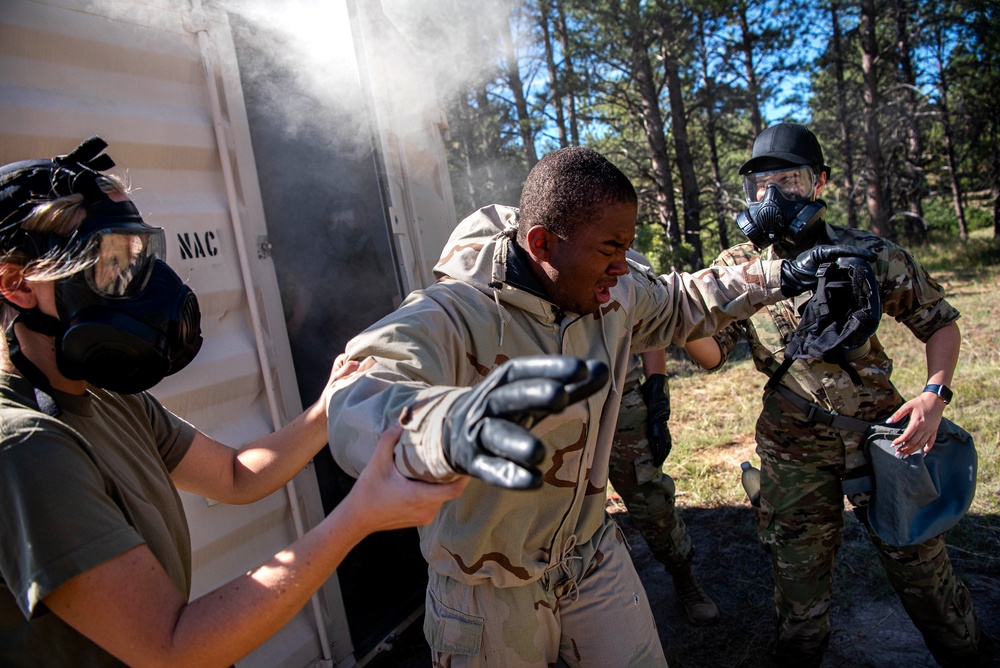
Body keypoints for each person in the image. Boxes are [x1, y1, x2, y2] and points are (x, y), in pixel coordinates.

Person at [325, 145, 872, 666]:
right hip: (486, 591)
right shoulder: (452, 313)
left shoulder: (613, 290)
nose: (622, 266)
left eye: (627, 247)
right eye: (610, 250)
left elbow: (681, 300)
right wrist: (446, 428)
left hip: (590, 557)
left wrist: (781, 275)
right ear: (541, 244)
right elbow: (357, 397)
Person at [0, 137, 468, 667]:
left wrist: (323, 409)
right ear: (17, 284)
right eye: (109, 264)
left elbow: (234, 475)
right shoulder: (25, 444)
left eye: (137, 258)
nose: (136, 285)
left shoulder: (109, 400)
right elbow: (173, 647)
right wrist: (358, 517)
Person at [685, 122, 995, 667]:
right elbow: (709, 355)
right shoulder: (738, 270)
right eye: (763, 183)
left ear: (820, 181)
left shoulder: (867, 252)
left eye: (791, 180)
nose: (775, 195)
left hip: (883, 437)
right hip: (793, 448)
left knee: (927, 580)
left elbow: (939, 322)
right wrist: (687, 313)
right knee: (799, 593)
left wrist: (933, 395)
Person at [607, 250, 718, 626]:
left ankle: (683, 577)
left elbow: (651, 326)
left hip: (623, 402)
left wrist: (656, 399)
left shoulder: (627, 257)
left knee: (650, 500)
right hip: (562, 407)